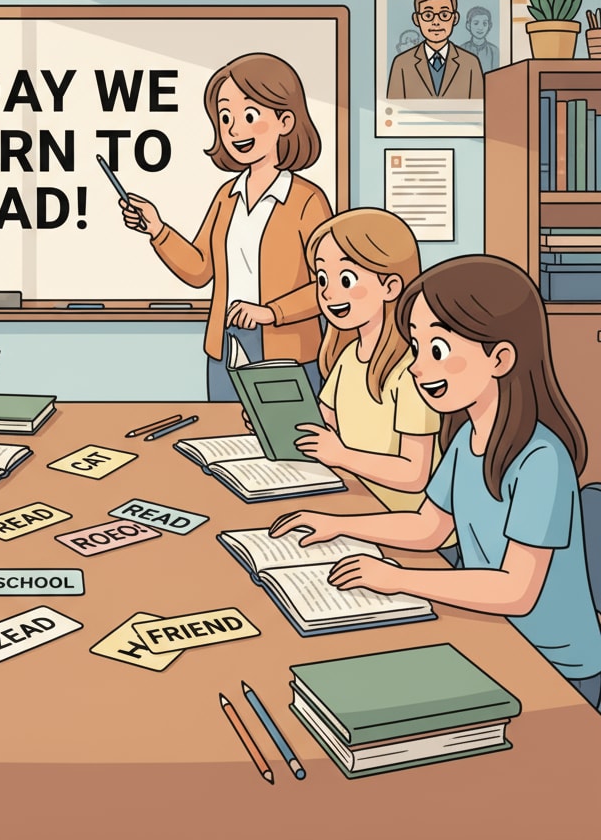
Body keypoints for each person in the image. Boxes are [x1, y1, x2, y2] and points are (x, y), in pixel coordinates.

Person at [270, 255, 601, 709]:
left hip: (555, 670)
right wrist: (338, 523)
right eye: (416, 348)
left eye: (438, 351)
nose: (418, 367)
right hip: (491, 631)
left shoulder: (543, 459)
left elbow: (515, 591)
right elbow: (429, 528)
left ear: (500, 357)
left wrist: (398, 578)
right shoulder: (468, 438)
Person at [120, 52, 331, 399]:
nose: (234, 129)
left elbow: (326, 288)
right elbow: (201, 269)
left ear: (286, 122)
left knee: (284, 448)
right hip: (226, 346)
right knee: (221, 439)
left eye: (250, 115)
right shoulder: (226, 197)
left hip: (287, 353)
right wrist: (158, 230)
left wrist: (270, 313)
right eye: (225, 117)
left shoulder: (307, 200)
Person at [291, 209, 448, 538]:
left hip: (408, 529)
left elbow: (415, 474)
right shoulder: (348, 357)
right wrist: (278, 422)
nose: (329, 293)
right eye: (322, 279)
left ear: (390, 286)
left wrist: (342, 455)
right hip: (360, 502)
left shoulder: (411, 371)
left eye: (346, 279)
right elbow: (324, 423)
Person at [387, 0, 484, 100]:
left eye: (444, 15)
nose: (436, 22)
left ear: (455, 18)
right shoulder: (402, 63)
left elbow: (480, 110)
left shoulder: (470, 63)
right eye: (428, 15)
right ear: (416, 19)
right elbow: (391, 110)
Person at [460, 5, 500, 73]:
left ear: (489, 26)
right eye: (476, 23)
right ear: (468, 25)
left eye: (484, 24)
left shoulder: (494, 51)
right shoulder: (461, 49)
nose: (480, 28)